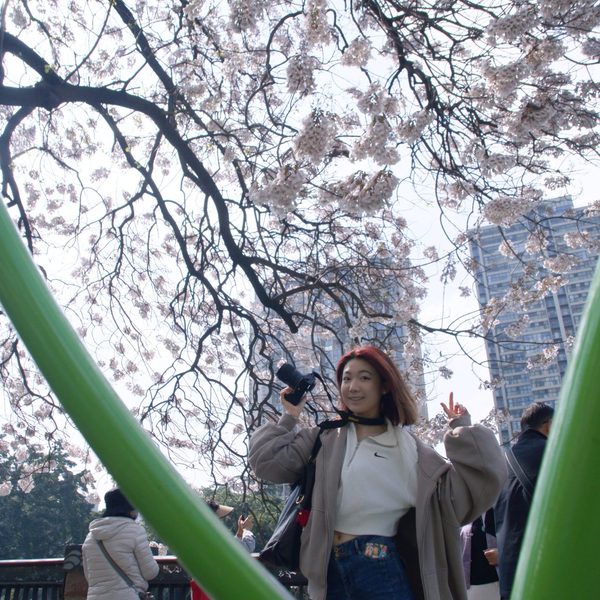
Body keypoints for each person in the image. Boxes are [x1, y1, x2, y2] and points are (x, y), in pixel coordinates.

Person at [249, 345, 507, 600]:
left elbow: (466, 492)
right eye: (346, 379)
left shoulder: (408, 447)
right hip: (328, 572)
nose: (353, 387)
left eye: (364, 378)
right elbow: (267, 462)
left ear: (384, 386)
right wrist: (290, 416)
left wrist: (461, 430)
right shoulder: (326, 437)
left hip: (378, 564)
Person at [494, 402, 554, 600]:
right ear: (549, 425)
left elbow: (490, 523)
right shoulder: (554, 454)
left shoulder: (501, 464)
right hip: (547, 566)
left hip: (512, 576)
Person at [82, 488, 159, 600]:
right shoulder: (135, 531)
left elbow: (88, 576)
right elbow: (150, 573)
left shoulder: (90, 537)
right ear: (130, 508)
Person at [460, 509, 499, 599]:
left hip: (498, 585)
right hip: (469, 589)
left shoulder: (500, 508)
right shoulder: (464, 512)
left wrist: (501, 555)